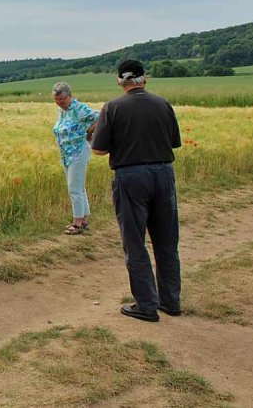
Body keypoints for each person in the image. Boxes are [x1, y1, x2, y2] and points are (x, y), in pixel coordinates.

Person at [91, 60, 183, 323]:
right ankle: (171, 301)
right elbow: (174, 142)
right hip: (164, 174)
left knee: (135, 242)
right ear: (145, 79)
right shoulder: (163, 104)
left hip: (131, 177)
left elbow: (98, 149)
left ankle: (146, 305)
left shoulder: (113, 107)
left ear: (119, 81)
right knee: (166, 241)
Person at [51, 82, 99, 235]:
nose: (59, 102)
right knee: (79, 187)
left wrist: (89, 133)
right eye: (56, 99)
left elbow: (100, 117)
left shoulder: (79, 108)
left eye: (62, 99)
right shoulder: (62, 111)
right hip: (66, 153)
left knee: (74, 189)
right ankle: (84, 219)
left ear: (70, 96)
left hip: (78, 151)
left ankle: (77, 223)